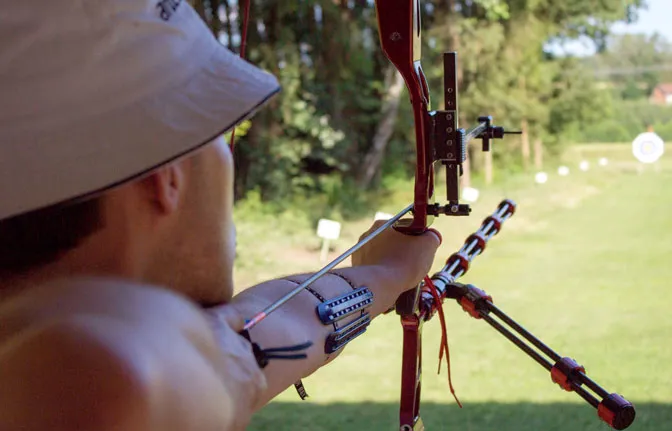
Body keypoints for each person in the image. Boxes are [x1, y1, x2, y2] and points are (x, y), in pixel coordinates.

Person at [0, 1, 440, 430]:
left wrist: (385, 273)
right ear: (165, 177)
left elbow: (256, 334)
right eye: (211, 131)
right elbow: (136, 372)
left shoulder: (172, 363)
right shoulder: (95, 377)